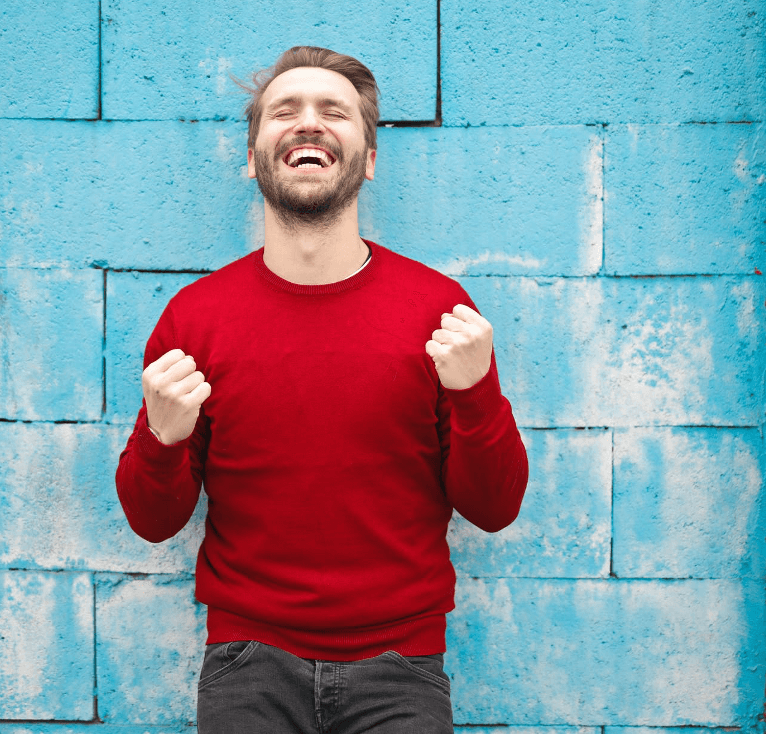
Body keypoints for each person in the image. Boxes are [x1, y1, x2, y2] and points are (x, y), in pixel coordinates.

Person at [115, 46, 529, 734]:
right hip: (246, 665)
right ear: (254, 156)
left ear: (367, 159)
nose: (308, 123)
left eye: (333, 111)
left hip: (403, 667)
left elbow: (494, 508)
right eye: (286, 111)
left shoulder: (440, 311)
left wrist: (477, 394)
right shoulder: (195, 319)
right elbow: (153, 521)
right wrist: (163, 438)